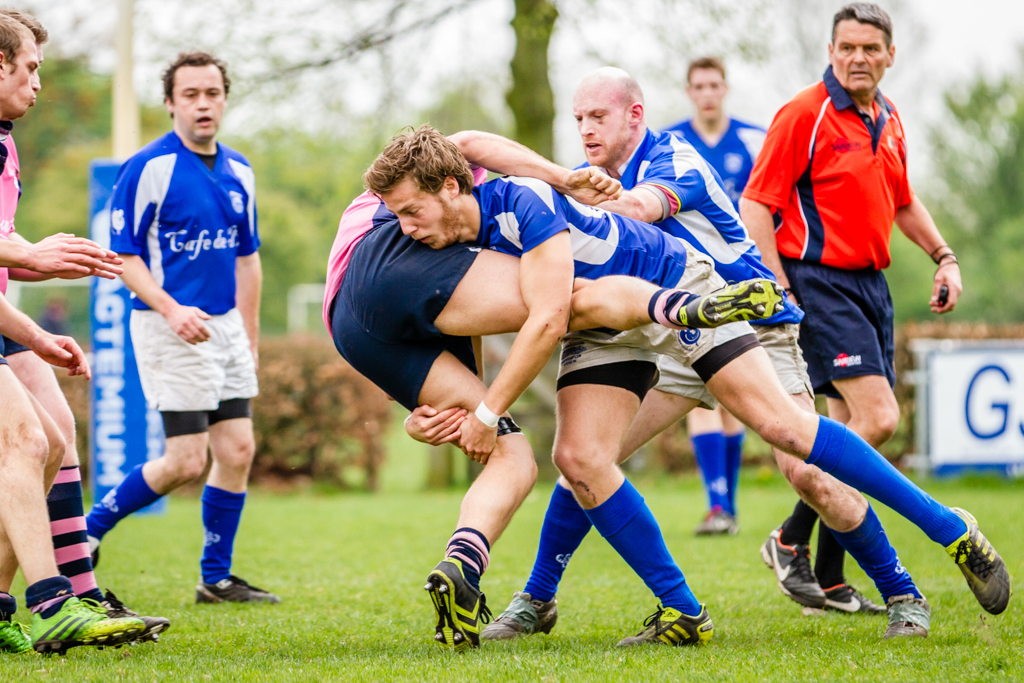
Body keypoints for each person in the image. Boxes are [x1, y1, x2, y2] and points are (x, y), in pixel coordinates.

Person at [443, 66, 1008, 640]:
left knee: (806, 469)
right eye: (579, 118)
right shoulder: (588, 175)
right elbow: (465, 145)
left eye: (598, 117)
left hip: (742, 314)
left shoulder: (674, 158)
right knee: (585, 457)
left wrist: (563, 193)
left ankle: (914, 578)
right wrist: (559, 179)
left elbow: (637, 210)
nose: (586, 129)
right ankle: (538, 598)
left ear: (635, 116)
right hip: (662, 322)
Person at [332, 125, 778, 648]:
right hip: (385, 264)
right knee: (565, 299)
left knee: (529, 450)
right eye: (403, 213)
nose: (409, 224)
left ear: (450, 186)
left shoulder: (407, 198)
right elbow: (469, 143)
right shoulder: (418, 195)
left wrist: (432, 414)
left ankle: (465, 566)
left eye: (412, 212)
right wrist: (561, 177)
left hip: (348, 326)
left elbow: (441, 340)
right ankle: (677, 306)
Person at [740, 3, 966, 615]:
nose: (858, 58)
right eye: (847, 47)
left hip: (871, 287)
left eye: (870, 48)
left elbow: (903, 201)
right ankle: (790, 538)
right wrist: (779, 288)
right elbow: (756, 204)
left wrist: (944, 257)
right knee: (879, 419)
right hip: (817, 282)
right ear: (831, 51)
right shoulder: (804, 112)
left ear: (890, 55)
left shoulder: (889, 117)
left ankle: (829, 577)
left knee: (844, 432)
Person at [0, 8, 168, 644]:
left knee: (50, 438)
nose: (38, 82)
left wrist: (35, 331)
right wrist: (32, 255)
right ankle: (53, 605)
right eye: (30, 67)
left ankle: (36, 600)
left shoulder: (5, 143)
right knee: (26, 441)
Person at [85, 52, 278, 605]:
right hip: (167, 327)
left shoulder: (241, 171)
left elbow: (247, 261)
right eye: (190, 94)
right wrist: (172, 310)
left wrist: (250, 337)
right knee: (186, 461)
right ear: (170, 103)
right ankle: (85, 532)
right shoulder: (149, 167)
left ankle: (215, 579)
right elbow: (123, 258)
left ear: (224, 99)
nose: (202, 104)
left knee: (237, 450)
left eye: (212, 93)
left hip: (226, 330)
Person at [660, 56, 769, 535]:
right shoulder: (671, 142)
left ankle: (727, 506)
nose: (707, 93)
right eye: (698, 86)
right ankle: (717, 505)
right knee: (698, 386)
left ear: (724, 89)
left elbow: (769, 206)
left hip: (739, 280)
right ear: (690, 92)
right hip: (686, 280)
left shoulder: (752, 140)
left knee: (732, 389)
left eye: (713, 85)